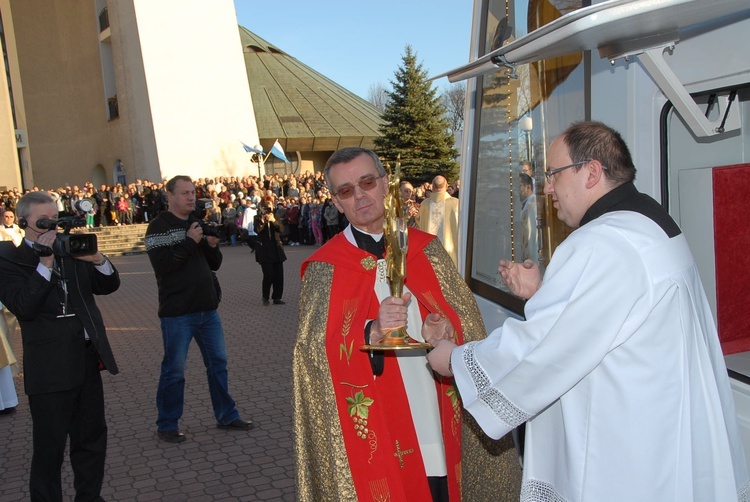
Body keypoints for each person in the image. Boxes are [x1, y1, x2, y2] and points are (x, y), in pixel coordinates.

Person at [427, 121, 749, 501]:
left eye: (554, 174)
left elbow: (540, 348)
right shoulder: (646, 220)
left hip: (625, 452)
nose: (547, 188)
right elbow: (605, 319)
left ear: (592, 172)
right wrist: (542, 293)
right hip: (660, 425)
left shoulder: (601, 241)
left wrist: (454, 360)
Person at [293, 147, 521, 501]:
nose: (360, 195)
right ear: (337, 203)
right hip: (378, 426)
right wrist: (371, 331)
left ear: (385, 185)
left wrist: (441, 328)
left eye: (367, 182)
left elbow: (467, 324)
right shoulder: (325, 268)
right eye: (346, 191)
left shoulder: (426, 249)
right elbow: (311, 358)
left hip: (437, 410)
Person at [0, 191, 120, 501]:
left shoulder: (71, 249)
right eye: (44, 221)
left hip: (86, 359)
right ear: (24, 222)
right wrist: (44, 263)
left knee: (92, 440)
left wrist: (98, 260)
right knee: (49, 449)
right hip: (49, 368)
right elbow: (23, 307)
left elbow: (108, 285)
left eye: (55, 218)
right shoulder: (10, 260)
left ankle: (89, 497)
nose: (52, 226)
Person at [145, 175, 254, 444]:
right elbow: (164, 266)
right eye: (184, 193)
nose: (191, 197)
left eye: (193, 192)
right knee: (174, 370)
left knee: (218, 365)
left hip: (208, 310)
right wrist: (190, 242)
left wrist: (211, 247)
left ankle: (226, 415)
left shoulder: (196, 224)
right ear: (169, 196)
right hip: (177, 313)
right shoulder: (158, 227)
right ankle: (167, 423)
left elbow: (212, 264)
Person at [418, 175, 459, 266]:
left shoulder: (425, 204)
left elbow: (419, 223)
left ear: (432, 187)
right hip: (449, 251)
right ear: (447, 186)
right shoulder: (456, 203)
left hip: (428, 251)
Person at [254, 202, 286, 306]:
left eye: (269, 208)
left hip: (276, 249)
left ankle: (277, 297)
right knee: (268, 274)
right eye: (265, 208)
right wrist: (263, 221)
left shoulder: (275, 217)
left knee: (279, 275)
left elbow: (281, 229)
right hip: (264, 250)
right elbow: (257, 230)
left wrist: (274, 221)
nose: (267, 211)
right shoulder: (257, 218)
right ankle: (265, 297)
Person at [518, 173, 539, 264]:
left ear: (528, 187)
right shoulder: (525, 205)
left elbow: (534, 234)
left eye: (518, 186)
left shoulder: (533, 205)